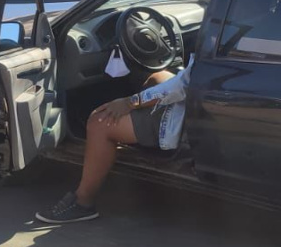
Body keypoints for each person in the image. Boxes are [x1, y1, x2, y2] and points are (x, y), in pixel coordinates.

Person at [37, 61, 191, 224]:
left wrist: (129, 102)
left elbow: (181, 87)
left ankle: (82, 202)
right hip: (190, 93)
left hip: (180, 112)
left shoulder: (213, 37)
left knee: (99, 123)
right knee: (156, 77)